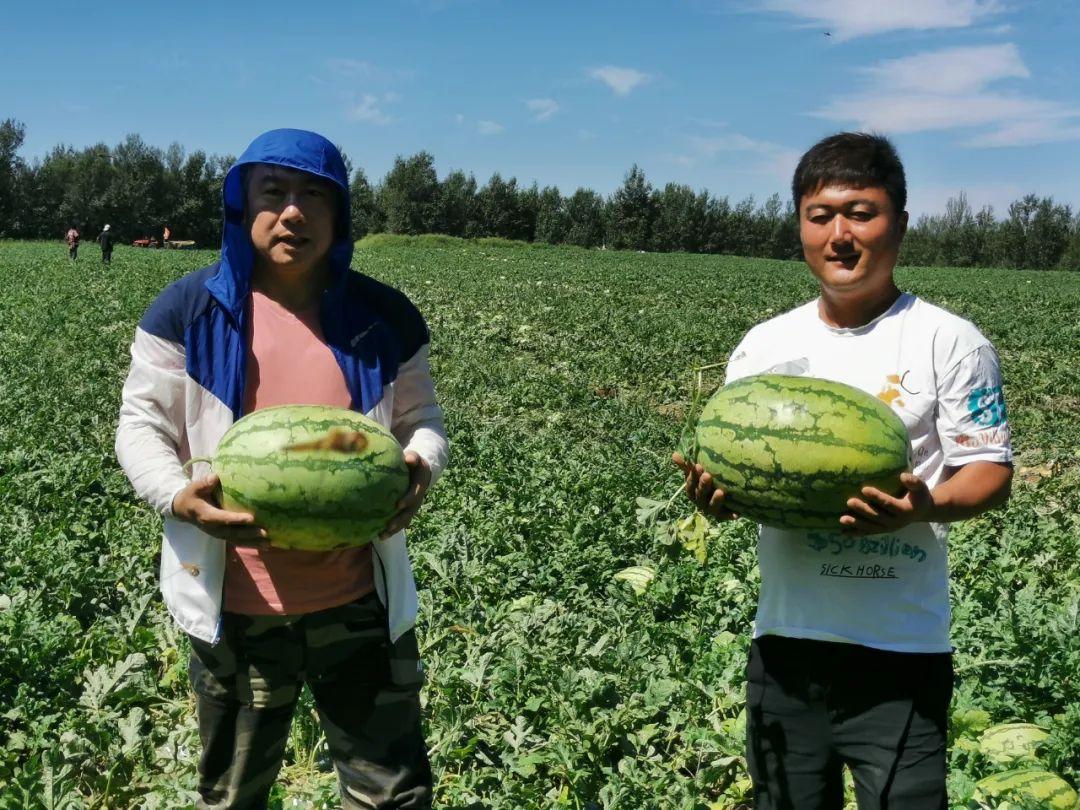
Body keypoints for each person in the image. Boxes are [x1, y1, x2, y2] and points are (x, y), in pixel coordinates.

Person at [675, 132, 1013, 809]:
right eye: (820, 215)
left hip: (901, 653)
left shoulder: (951, 340)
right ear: (800, 225)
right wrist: (718, 499)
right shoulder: (766, 346)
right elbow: (744, 468)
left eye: (861, 212)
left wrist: (925, 508)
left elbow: (989, 473)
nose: (840, 234)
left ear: (901, 223)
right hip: (786, 647)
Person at [115, 128, 448, 809]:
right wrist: (179, 498)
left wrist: (419, 466)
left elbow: (423, 422)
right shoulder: (185, 312)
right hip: (236, 610)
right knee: (234, 796)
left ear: (338, 213)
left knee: (394, 795)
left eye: (313, 196)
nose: (293, 211)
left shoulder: (386, 317)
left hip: (360, 604)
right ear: (244, 204)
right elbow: (140, 426)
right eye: (274, 192)